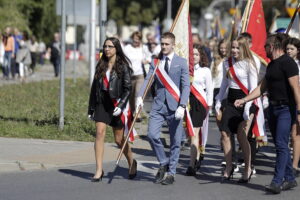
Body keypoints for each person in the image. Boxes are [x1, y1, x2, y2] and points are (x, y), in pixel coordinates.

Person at [235, 33, 300, 194]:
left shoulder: (289, 63)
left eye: (265, 46)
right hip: (272, 108)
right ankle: (290, 179)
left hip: (286, 109)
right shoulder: (271, 65)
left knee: (280, 144)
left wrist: (299, 111)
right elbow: (261, 88)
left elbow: (296, 88)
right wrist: (245, 99)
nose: (264, 50)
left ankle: (277, 181)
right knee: (281, 145)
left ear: (273, 46)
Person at [136, 32, 190, 185]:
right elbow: (148, 80)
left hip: (175, 107)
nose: (164, 46)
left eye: (167, 44)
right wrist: (140, 96)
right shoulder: (156, 62)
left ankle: (171, 172)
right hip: (159, 105)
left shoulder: (181, 62)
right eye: (163, 44)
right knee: (152, 135)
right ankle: (163, 161)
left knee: (175, 141)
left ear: (173, 45)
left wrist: (182, 105)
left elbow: (186, 85)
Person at [88, 37, 137, 182]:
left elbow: (128, 89)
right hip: (102, 103)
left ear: (116, 48)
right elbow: (94, 87)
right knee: (99, 132)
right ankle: (98, 170)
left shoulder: (123, 67)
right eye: (105, 46)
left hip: (116, 104)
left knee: (118, 139)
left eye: (110, 46)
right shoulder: (101, 65)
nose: (107, 49)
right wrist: (91, 108)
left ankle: (131, 161)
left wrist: (121, 106)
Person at [215, 36, 259, 183]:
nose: (233, 50)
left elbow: (253, 88)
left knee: (242, 136)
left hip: (246, 102)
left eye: (236, 48)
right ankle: (229, 166)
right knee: (224, 133)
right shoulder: (226, 63)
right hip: (232, 102)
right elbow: (224, 83)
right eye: (232, 47)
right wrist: (217, 101)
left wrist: (247, 106)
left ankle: (247, 168)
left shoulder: (250, 64)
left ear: (243, 48)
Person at [185, 44, 213, 176]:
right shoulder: (185, 69)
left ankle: (191, 164)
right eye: (192, 54)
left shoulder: (205, 71)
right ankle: (197, 156)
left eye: (196, 54)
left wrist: (210, 105)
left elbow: (209, 89)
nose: (194, 57)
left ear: (201, 56)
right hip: (187, 103)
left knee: (194, 133)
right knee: (189, 135)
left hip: (199, 103)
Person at [124, 31, 148, 121]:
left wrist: (146, 61)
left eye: (138, 39)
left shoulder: (143, 48)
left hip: (140, 75)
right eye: (134, 39)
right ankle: (132, 113)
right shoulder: (127, 48)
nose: (136, 41)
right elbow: (122, 59)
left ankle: (138, 114)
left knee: (138, 94)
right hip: (129, 75)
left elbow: (149, 57)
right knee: (131, 96)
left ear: (140, 40)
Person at [285, 37, 300, 177]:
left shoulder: (298, 65)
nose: (289, 51)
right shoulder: (283, 63)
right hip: (285, 101)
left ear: (297, 51)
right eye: (287, 48)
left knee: (295, 135)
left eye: (292, 49)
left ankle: (294, 166)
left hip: (297, 102)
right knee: (286, 136)